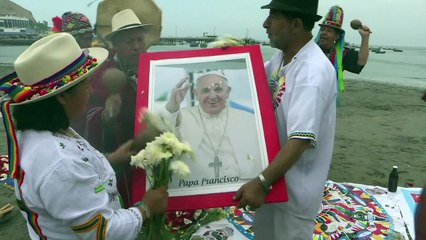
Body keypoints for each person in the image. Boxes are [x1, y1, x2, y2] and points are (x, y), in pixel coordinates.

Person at [0, 33, 168, 239]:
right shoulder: (60, 164)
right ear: (61, 96)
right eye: (85, 84)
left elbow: (74, 181)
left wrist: (112, 158)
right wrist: (146, 209)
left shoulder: (38, 132)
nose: (90, 91)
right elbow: (103, 232)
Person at [233, 0, 337, 239]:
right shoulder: (282, 58)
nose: (265, 24)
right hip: (273, 181)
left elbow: (300, 139)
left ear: (296, 24)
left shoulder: (312, 72)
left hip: (294, 193)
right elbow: (253, 78)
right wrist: (229, 57)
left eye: (274, 16)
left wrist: (261, 182)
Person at [85, 8, 153, 207]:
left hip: (152, 147)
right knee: (128, 201)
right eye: (129, 41)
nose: (136, 46)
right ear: (115, 45)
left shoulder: (155, 68)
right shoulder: (102, 73)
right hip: (122, 153)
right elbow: (87, 114)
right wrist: (106, 114)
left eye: (140, 40)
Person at [164, 71, 263, 188]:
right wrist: (172, 107)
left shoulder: (249, 119)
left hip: (239, 190)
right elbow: (165, 140)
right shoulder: (180, 116)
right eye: (205, 91)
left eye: (218, 89)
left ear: (228, 92)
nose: (212, 96)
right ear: (195, 93)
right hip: (196, 192)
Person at [316, 6, 371, 93]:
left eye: (329, 31)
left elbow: (361, 62)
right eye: (323, 29)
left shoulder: (341, 54)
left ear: (337, 36)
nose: (324, 33)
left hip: (326, 98)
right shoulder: (310, 50)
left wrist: (365, 37)